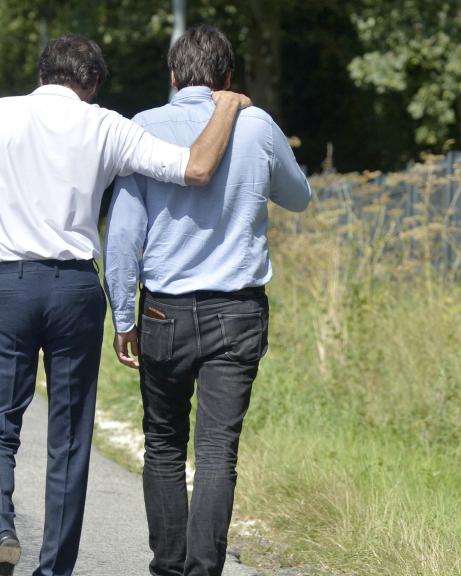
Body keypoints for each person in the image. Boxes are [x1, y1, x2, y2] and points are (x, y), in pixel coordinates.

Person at [0, 34, 250, 576]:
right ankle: (55, 570)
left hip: (7, 285)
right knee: (70, 437)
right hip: (76, 291)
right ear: (93, 84)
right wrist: (228, 106)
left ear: (41, 73)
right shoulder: (107, 125)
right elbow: (195, 168)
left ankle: (0, 527)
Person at [104, 24, 311, 576]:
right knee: (218, 450)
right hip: (238, 311)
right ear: (228, 78)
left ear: (173, 76)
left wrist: (123, 315)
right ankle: (202, 570)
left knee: (164, 443)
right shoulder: (257, 125)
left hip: (163, 310)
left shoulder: (142, 127)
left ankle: (168, 567)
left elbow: (124, 234)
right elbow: (299, 197)